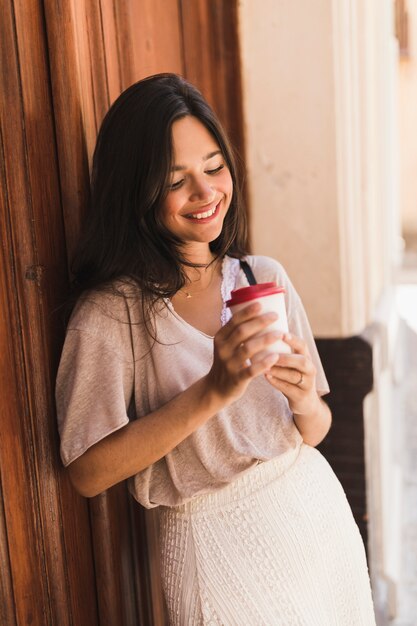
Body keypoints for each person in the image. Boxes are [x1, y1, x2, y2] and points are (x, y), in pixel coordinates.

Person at [56, 73, 376, 625]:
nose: (206, 194)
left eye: (213, 168)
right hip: (212, 540)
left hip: (313, 520)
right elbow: (87, 471)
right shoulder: (111, 314)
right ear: (136, 190)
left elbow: (314, 429)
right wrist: (214, 390)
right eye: (177, 180)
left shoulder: (261, 277)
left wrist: (303, 400)